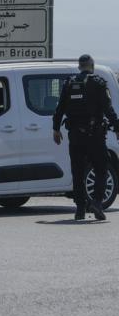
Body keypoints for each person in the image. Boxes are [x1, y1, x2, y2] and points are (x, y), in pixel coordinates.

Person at [53, 54, 119, 221]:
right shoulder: (98, 83)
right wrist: (117, 128)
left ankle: (80, 209)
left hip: (75, 135)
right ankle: (97, 202)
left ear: (79, 66)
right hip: (95, 135)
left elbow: (60, 108)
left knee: (78, 171)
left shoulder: (69, 83)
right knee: (101, 169)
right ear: (92, 65)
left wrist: (55, 129)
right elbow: (108, 109)